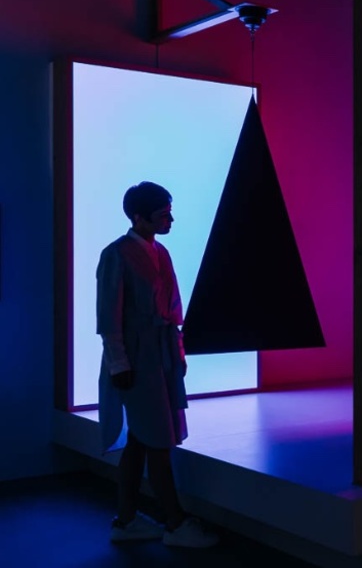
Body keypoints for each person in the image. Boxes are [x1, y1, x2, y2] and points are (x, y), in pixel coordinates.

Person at [96, 181, 218, 547]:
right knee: (159, 440)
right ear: (139, 217)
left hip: (160, 355)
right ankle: (175, 523)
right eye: (163, 214)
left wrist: (177, 352)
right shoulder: (116, 255)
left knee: (139, 439)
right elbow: (109, 316)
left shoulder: (160, 252)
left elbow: (172, 308)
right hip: (136, 359)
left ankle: (127, 519)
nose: (171, 220)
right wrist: (119, 364)